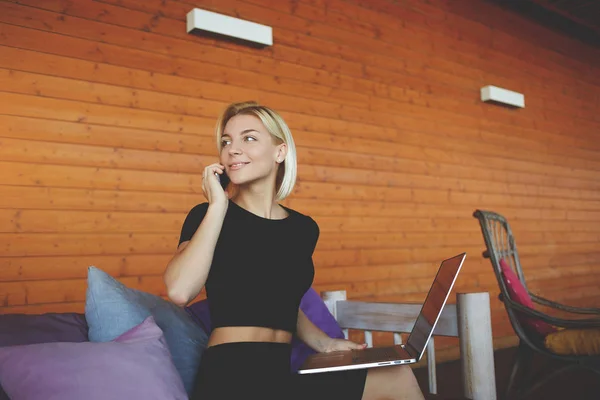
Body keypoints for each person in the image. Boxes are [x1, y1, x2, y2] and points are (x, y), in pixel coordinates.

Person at [164, 101, 425, 400]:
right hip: (231, 377)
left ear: (280, 151)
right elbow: (180, 291)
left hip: (279, 375)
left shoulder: (303, 229)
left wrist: (324, 343)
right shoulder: (207, 216)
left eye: (248, 138)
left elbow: (279, 296)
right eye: (226, 141)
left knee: (396, 375)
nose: (233, 149)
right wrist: (218, 206)